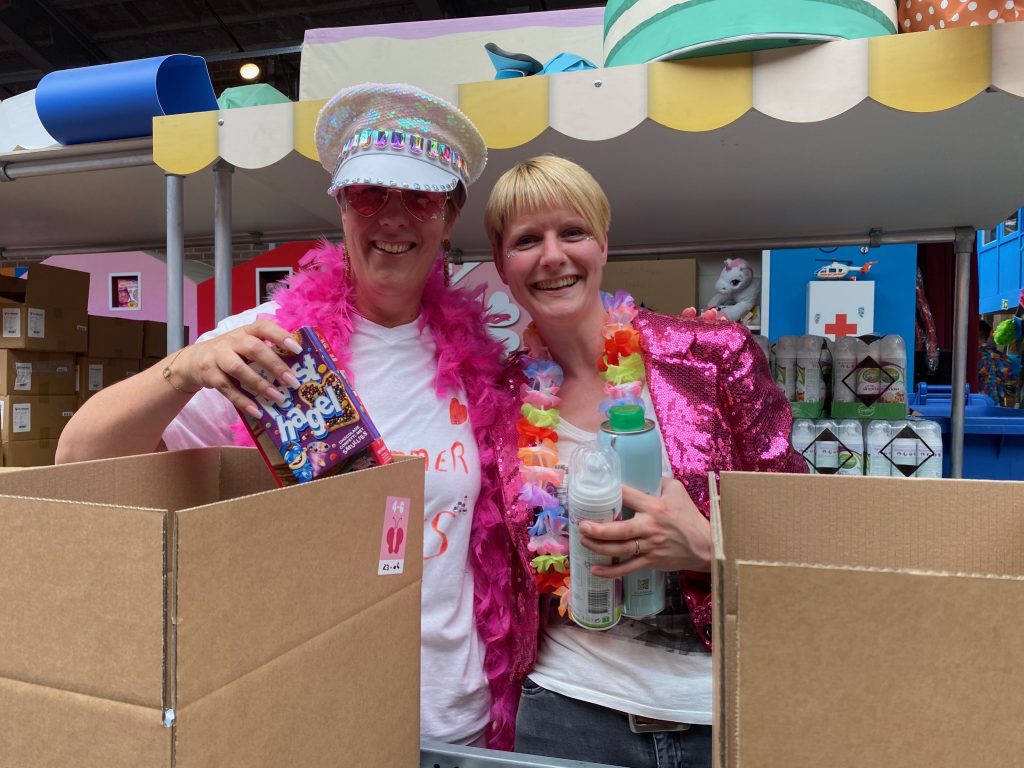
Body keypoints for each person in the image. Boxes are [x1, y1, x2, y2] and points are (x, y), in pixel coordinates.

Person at [55, 83, 538, 751]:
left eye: (421, 198)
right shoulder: (266, 347)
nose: (393, 218)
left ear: (449, 216)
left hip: (456, 721)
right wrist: (182, 369)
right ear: (340, 205)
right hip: (312, 712)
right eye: (370, 194)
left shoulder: (481, 361)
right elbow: (80, 460)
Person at [483, 155, 806, 767]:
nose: (552, 256)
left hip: (718, 715)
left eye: (572, 232)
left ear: (603, 245)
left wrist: (708, 549)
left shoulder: (709, 356)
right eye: (526, 240)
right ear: (502, 265)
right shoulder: (499, 396)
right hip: (566, 713)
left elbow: (802, 529)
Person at [977, 317, 1016, 406]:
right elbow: (1011, 390)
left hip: (974, 406)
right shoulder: (1004, 358)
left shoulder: (971, 357)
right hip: (997, 407)